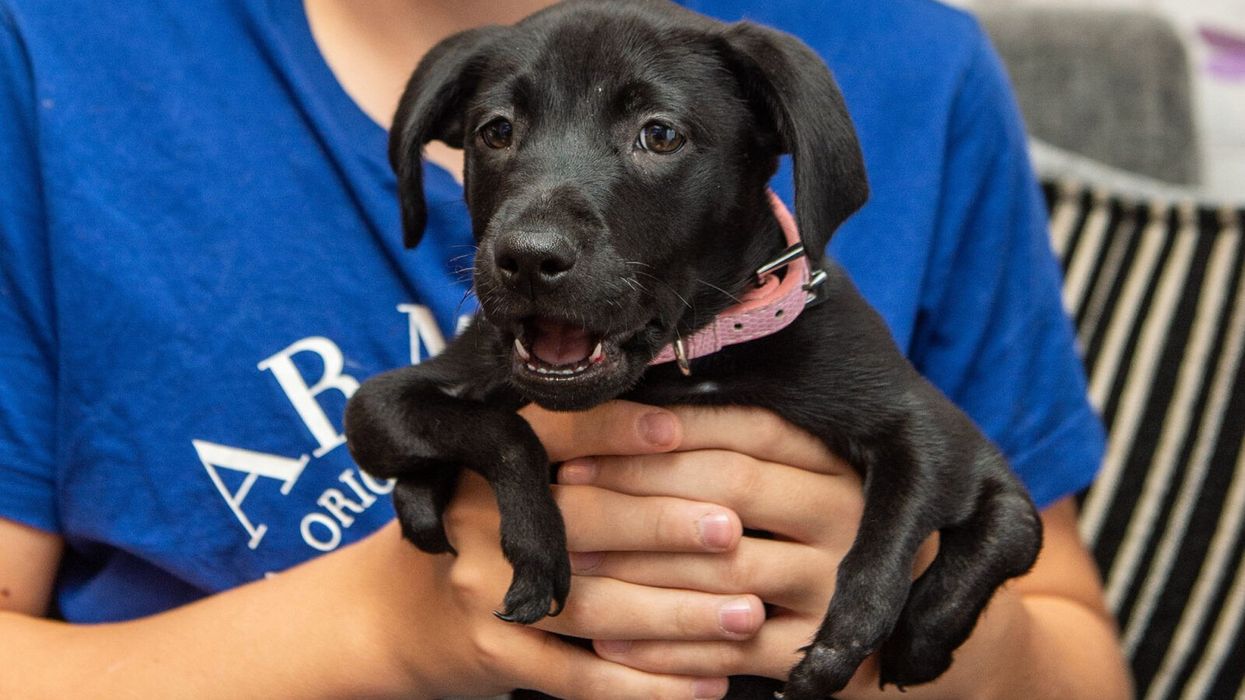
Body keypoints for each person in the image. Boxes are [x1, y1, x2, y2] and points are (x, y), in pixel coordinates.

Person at [0, 0, 1132, 697]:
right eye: (498, 134)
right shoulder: (53, 51)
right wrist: (391, 624)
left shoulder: (912, 67)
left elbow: (1074, 657)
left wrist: (895, 622)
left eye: (655, 136)